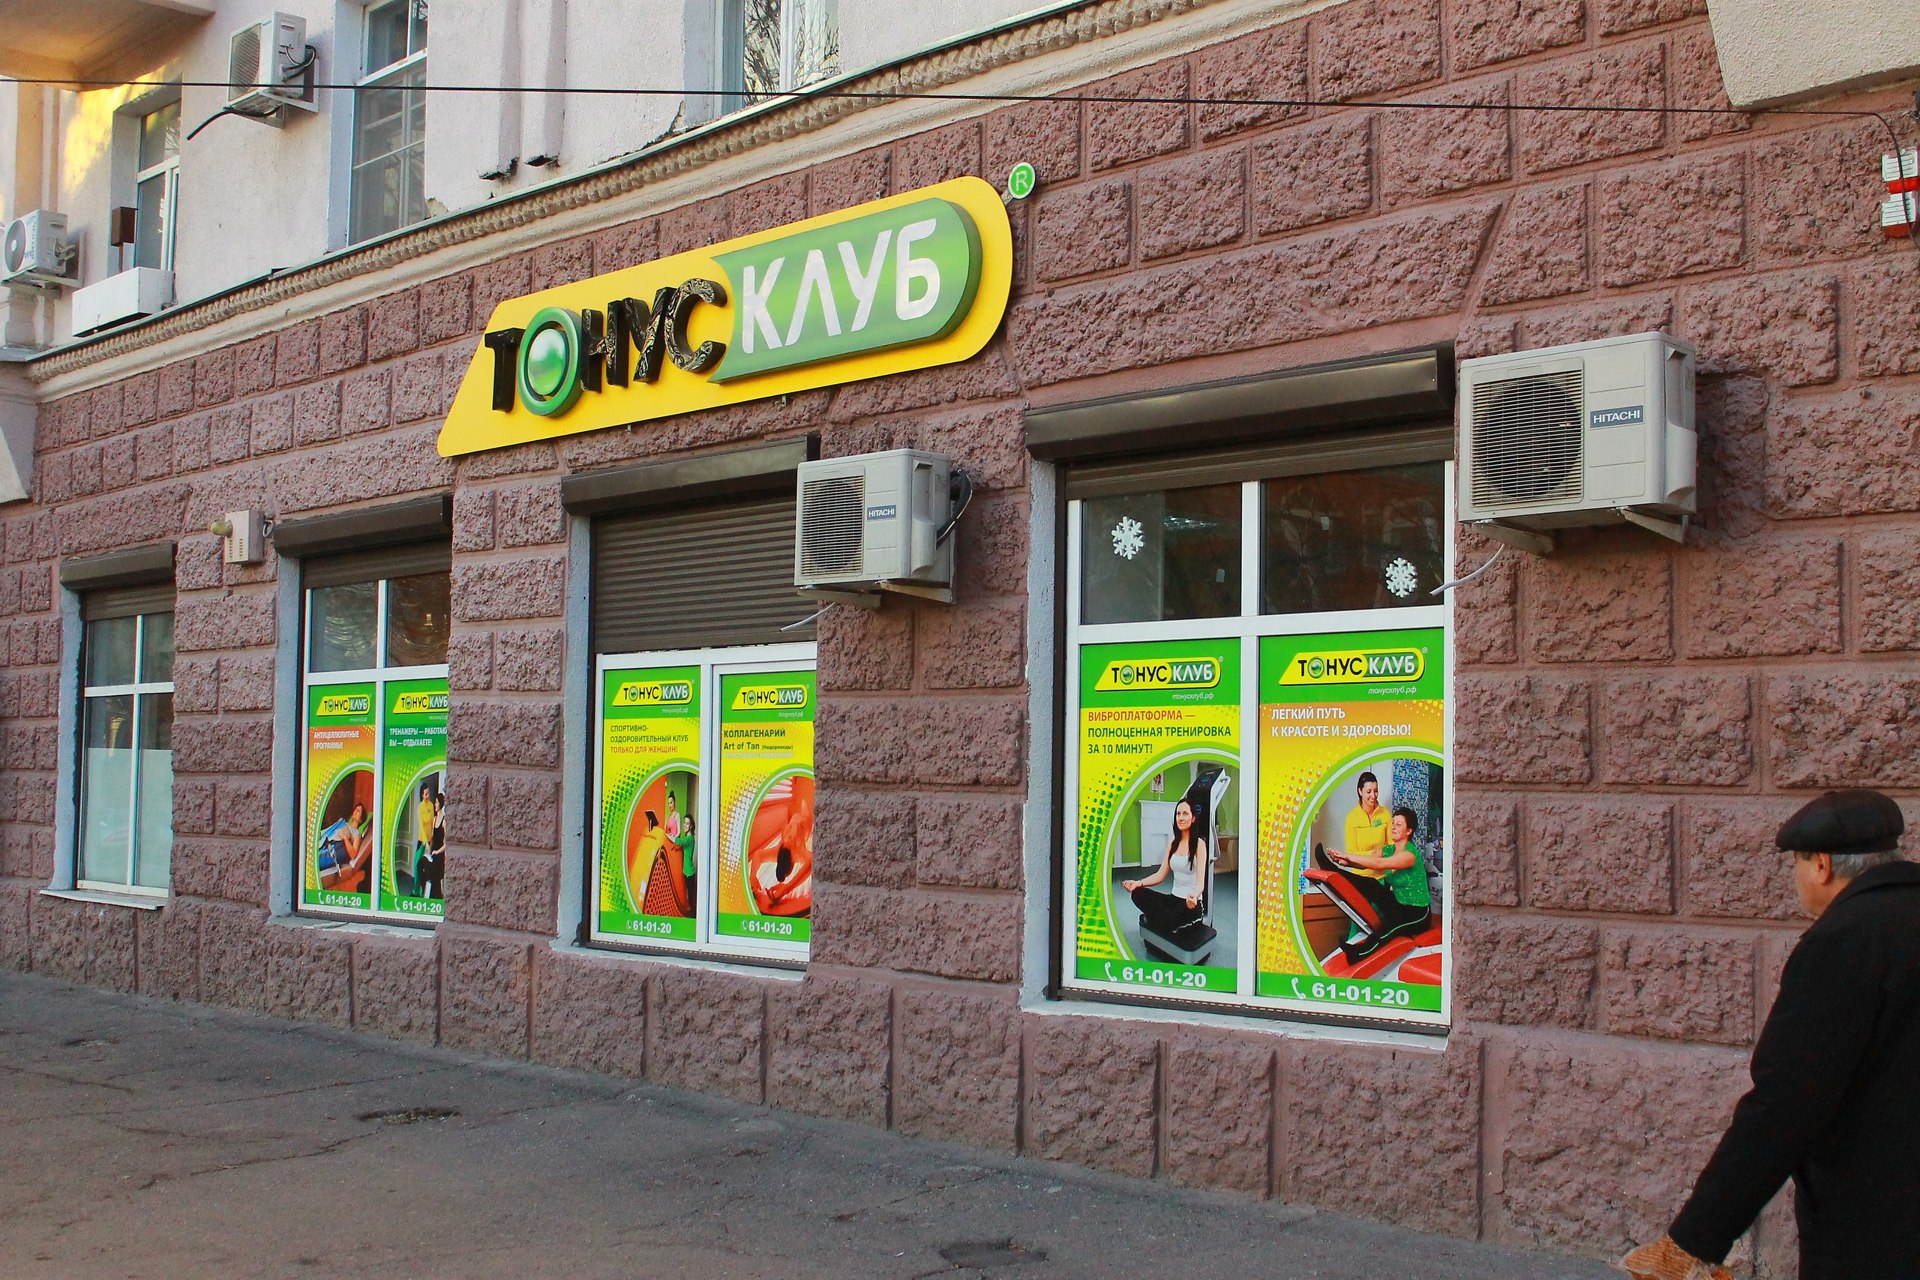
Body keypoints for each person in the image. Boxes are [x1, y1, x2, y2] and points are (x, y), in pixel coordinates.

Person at [1622, 789, 1920, 1280]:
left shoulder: (1842, 941)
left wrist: (1695, 1240)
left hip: (1877, 1227)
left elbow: (1787, 1102)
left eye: (1796, 864)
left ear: (1821, 865)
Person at [1315, 806, 1430, 961]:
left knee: (1391, 925)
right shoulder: (1388, 850)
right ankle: (1332, 869)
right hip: (1398, 904)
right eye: (1393, 823)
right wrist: (1345, 862)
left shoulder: (1410, 854)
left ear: (1408, 831)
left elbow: (1378, 864)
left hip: (1418, 913)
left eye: (1398, 824)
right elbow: (1367, 863)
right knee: (1371, 884)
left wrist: (1347, 855)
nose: (1393, 826)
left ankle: (1358, 954)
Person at [1123, 797, 1207, 938]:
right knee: (1137, 893)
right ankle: (1165, 921)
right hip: (1173, 900)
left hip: (1190, 904)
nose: (1180, 818)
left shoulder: (1199, 845)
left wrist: (1194, 895)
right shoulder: (1173, 844)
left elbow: (1200, 884)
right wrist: (1138, 883)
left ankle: (1164, 920)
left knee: (1169, 916)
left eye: (1185, 813)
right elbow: (1160, 875)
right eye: (1178, 814)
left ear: (1193, 818)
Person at [1323, 772, 1389, 881]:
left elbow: (1392, 848)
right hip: (1360, 877)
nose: (1373, 796)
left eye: (1376, 791)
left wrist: (1377, 855)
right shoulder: (1352, 818)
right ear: (1360, 791)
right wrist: (1375, 854)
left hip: (1383, 877)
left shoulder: (1385, 814)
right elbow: (1352, 853)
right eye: (1369, 791)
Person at [416, 792, 446, 900]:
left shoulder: (444, 821)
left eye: (436, 803)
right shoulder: (434, 819)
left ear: (441, 804)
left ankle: (434, 895)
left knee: (434, 876)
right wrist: (429, 848)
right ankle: (425, 889)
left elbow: (446, 844)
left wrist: (437, 852)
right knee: (420, 864)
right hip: (433, 852)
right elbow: (433, 838)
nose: (435, 805)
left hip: (439, 853)